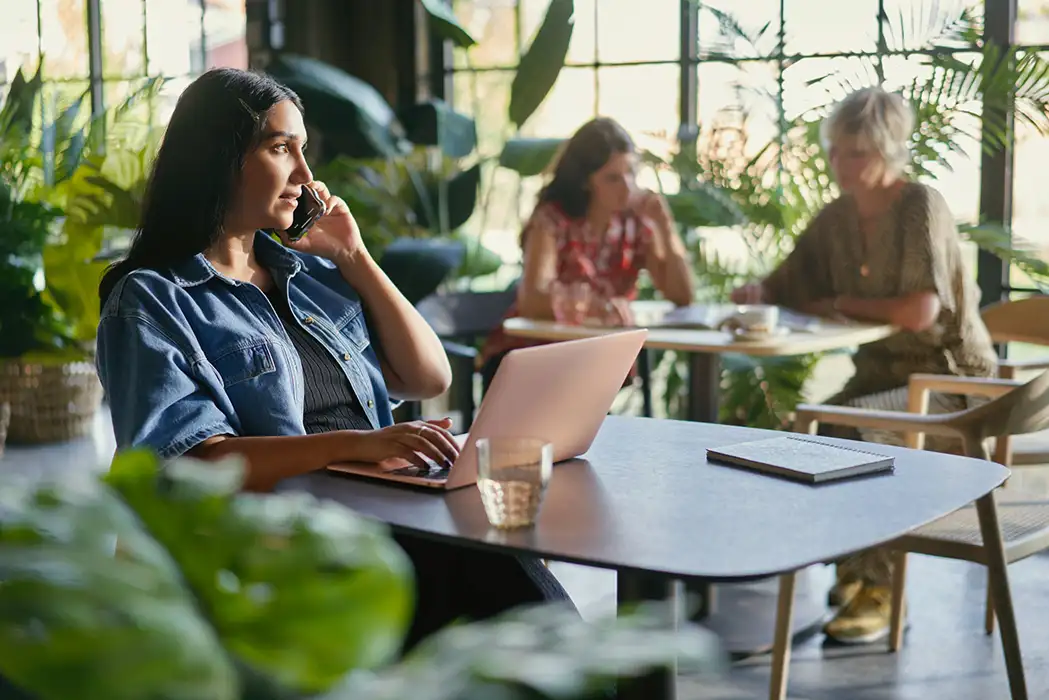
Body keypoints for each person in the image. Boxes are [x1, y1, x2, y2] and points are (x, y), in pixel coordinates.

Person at [95, 68, 571, 651]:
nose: (304, 174)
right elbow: (187, 463)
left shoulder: (316, 275)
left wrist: (355, 255)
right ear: (217, 158)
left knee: (507, 570)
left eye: (304, 151)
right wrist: (359, 444)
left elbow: (428, 376)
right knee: (506, 593)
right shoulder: (151, 298)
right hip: (289, 538)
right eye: (279, 148)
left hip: (378, 506)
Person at [731, 86, 997, 645]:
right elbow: (785, 285)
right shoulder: (836, 218)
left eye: (856, 153)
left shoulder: (921, 204)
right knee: (804, 431)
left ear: (889, 150)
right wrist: (756, 291)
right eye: (835, 151)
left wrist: (842, 304)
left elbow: (921, 311)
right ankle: (854, 568)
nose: (840, 165)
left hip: (950, 381)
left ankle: (881, 589)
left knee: (851, 432)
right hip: (879, 377)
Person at [479, 117, 694, 391]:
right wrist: (596, 307)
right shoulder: (553, 220)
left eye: (631, 173)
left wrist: (666, 226)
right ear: (584, 181)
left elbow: (682, 296)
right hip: (528, 360)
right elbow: (532, 299)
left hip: (594, 360)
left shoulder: (635, 223)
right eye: (613, 178)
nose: (627, 188)